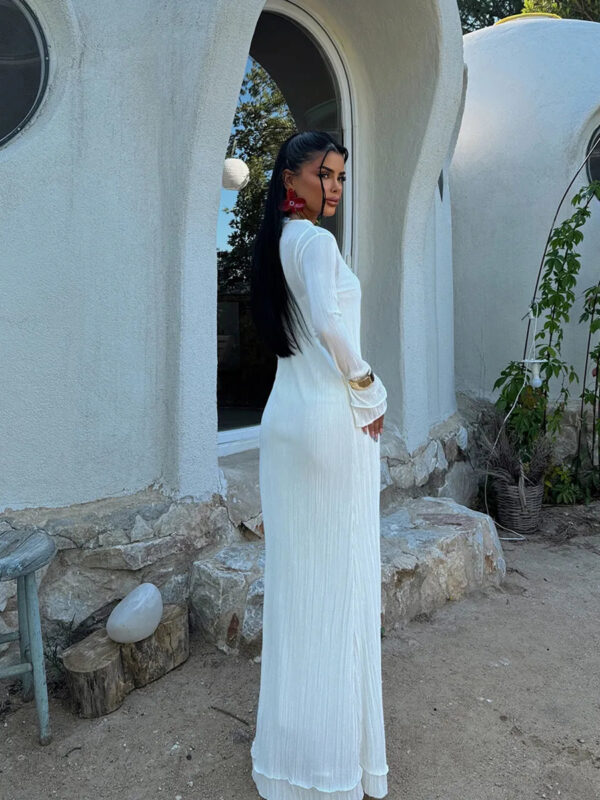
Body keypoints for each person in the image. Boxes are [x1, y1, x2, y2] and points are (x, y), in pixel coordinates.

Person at [249, 130, 389, 800]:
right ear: (289, 180)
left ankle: (291, 760)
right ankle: (330, 769)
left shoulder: (275, 245)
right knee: (338, 586)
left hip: (285, 426)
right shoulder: (313, 243)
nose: (333, 186)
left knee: (297, 591)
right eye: (322, 174)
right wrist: (369, 390)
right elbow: (332, 325)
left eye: (339, 176)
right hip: (330, 423)